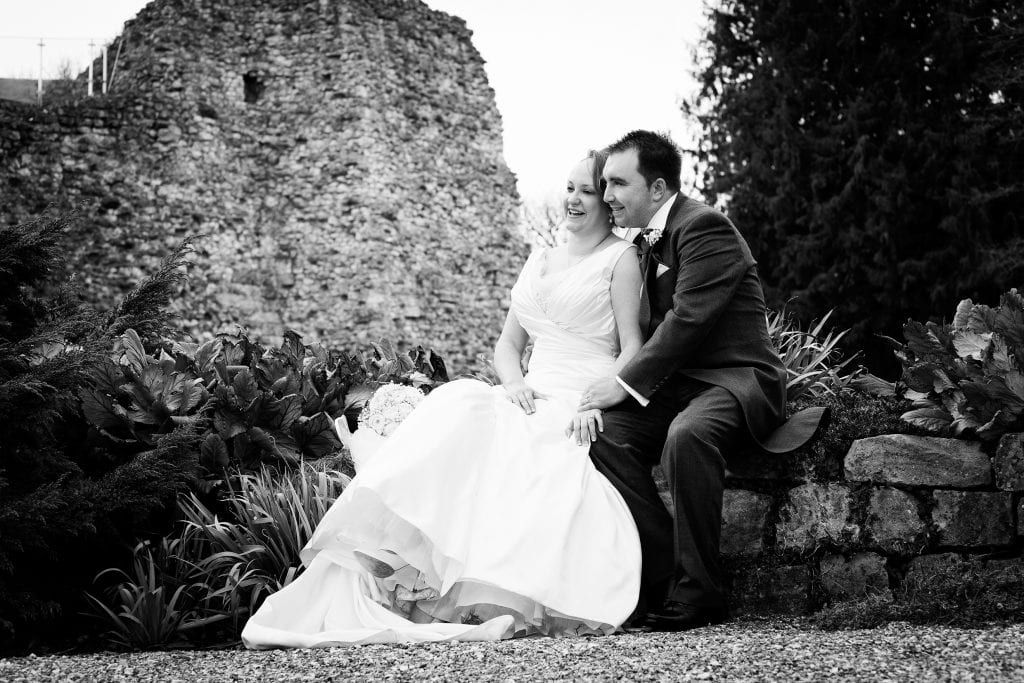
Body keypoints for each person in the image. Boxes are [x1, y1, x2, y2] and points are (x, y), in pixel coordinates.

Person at [242, 150, 645, 647]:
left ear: (607, 201)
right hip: (524, 390)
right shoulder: (540, 257)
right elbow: (507, 346)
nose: (575, 199)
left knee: (526, 459)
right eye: (570, 188)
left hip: (574, 395)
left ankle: (490, 592)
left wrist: (593, 403)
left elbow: (633, 349)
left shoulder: (621, 260)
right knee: (457, 410)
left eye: (588, 190)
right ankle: (403, 573)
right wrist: (513, 381)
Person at [579, 130, 824, 631]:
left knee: (688, 435)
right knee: (606, 437)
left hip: (735, 381)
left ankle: (702, 594)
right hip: (679, 386)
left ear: (658, 187)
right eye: (603, 183)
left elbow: (688, 321)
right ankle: (666, 568)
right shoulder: (642, 243)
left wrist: (623, 384)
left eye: (619, 183)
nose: (606, 196)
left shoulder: (705, 227)